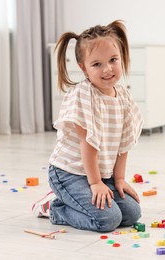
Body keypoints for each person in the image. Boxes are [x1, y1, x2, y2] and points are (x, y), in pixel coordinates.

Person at [32, 20, 143, 233]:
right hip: (69, 174)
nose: (107, 69)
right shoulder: (84, 95)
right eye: (97, 64)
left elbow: (124, 144)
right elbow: (87, 144)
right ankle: (56, 208)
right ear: (83, 68)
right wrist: (95, 184)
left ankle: (82, 199)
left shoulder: (124, 96)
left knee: (131, 213)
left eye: (113, 60)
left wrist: (118, 179)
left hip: (100, 173)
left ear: (122, 57)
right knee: (107, 220)